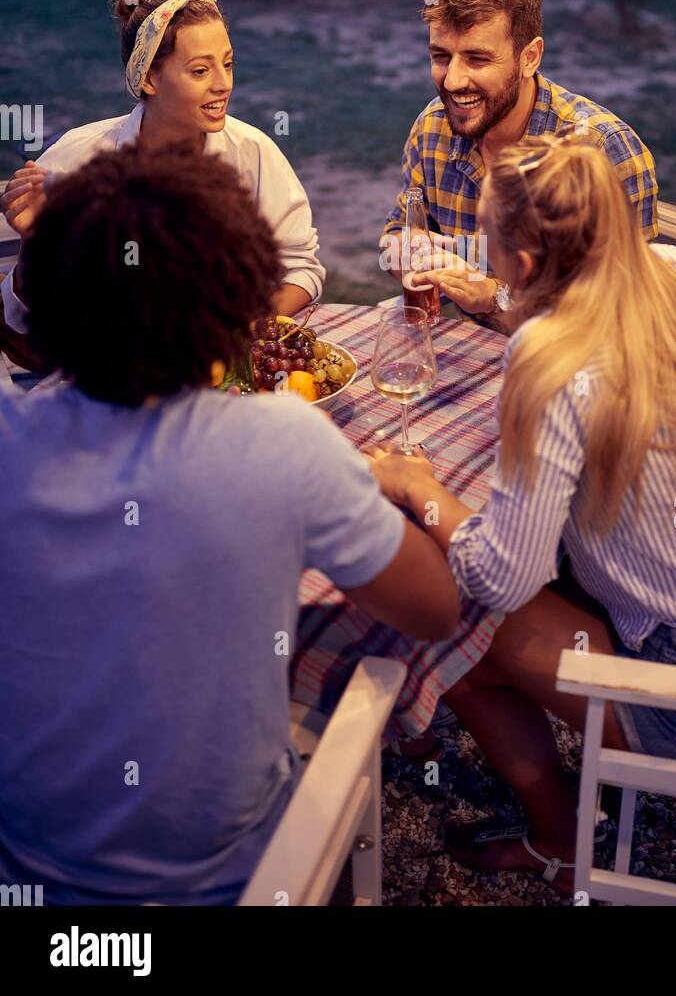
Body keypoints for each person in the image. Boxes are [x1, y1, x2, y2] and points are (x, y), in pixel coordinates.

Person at [0, 143, 460, 906]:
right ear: (234, 301)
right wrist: (415, 490)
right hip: (230, 879)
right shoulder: (282, 442)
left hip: (28, 869)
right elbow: (435, 609)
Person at [367, 134, 676, 893]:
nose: (482, 254)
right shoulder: (670, 279)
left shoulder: (552, 358)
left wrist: (420, 489)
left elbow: (501, 578)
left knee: (456, 615)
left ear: (528, 263)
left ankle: (558, 840)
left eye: (490, 240)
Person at [0, 0, 324, 354]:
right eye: (200, 70)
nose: (223, 84)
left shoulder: (253, 152)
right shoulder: (75, 163)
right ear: (149, 79)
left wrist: (236, 331)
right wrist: (35, 243)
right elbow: (23, 329)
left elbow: (301, 269)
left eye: (228, 63)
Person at [380, 0, 658, 326]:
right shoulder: (433, 128)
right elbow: (396, 235)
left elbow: (628, 310)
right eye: (441, 57)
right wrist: (410, 253)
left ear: (530, 58)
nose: (452, 82)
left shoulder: (601, 149)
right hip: (466, 352)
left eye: (477, 59)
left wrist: (495, 295)